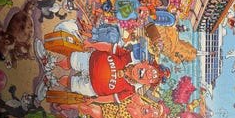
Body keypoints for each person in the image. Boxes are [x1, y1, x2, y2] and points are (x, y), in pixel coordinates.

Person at [37, 40, 170, 102]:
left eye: (146, 78)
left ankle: (52, 81)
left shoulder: (131, 89)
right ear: (145, 63)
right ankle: (51, 62)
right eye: (146, 70)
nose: (143, 74)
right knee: (71, 61)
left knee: (70, 83)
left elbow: (111, 98)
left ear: (145, 83)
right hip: (90, 61)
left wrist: (95, 100)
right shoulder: (128, 56)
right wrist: (92, 45)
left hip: (91, 87)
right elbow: (109, 47)